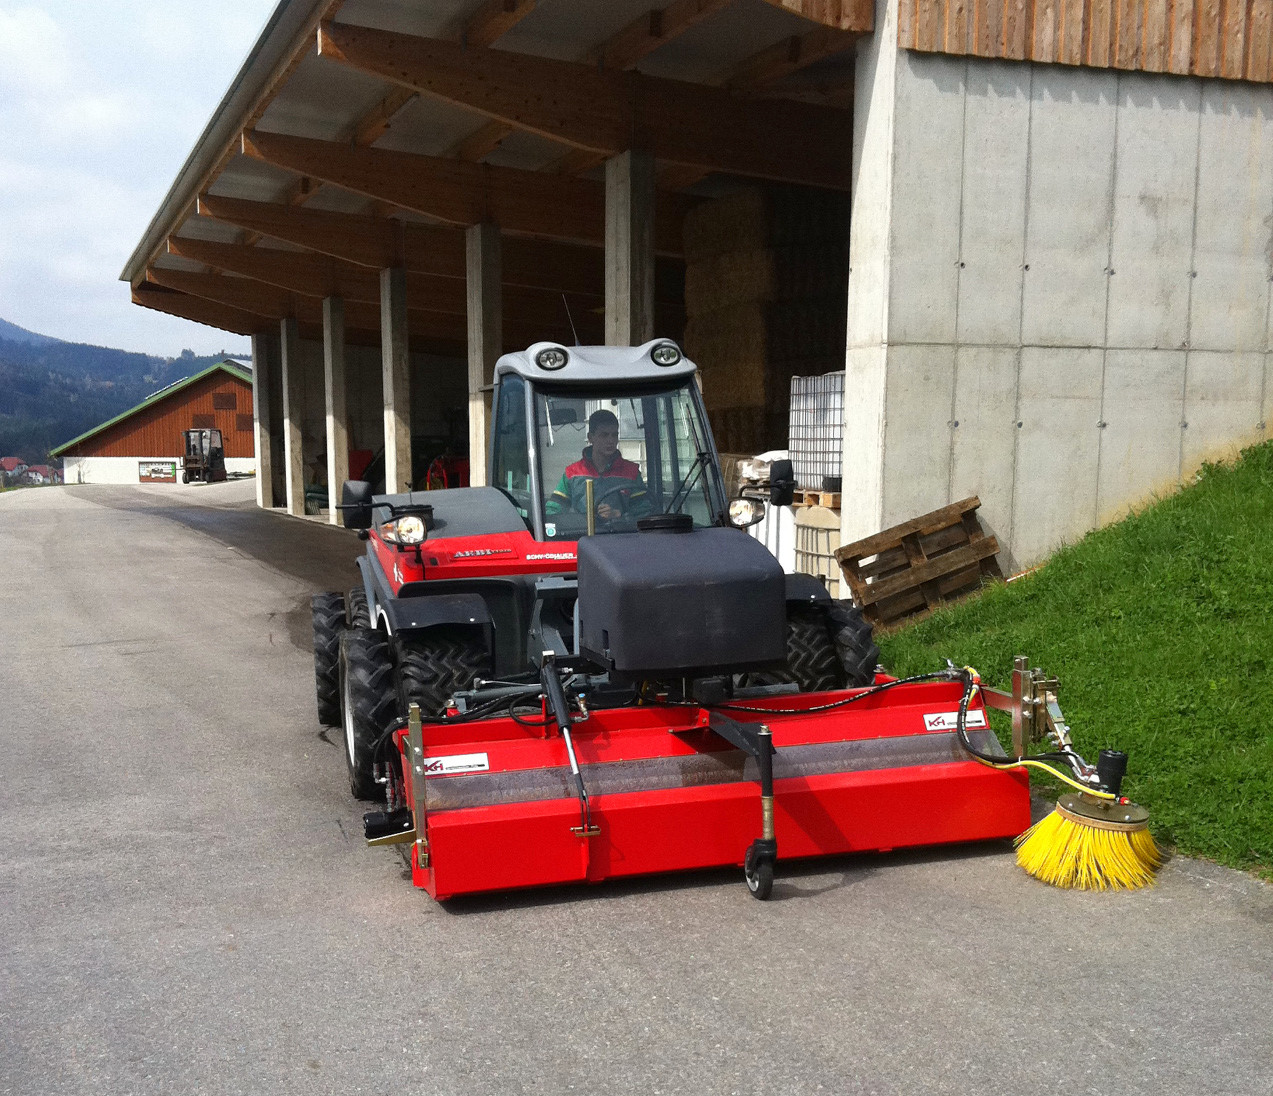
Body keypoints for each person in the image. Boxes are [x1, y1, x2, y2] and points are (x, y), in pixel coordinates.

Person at [546, 409, 650, 519]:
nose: (611, 440)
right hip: (579, 534)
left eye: (614, 435)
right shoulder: (572, 473)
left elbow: (644, 512)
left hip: (621, 534)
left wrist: (619, 515)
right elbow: (553, 512)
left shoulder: (631, 472)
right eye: (604, 435)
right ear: (591, 437)